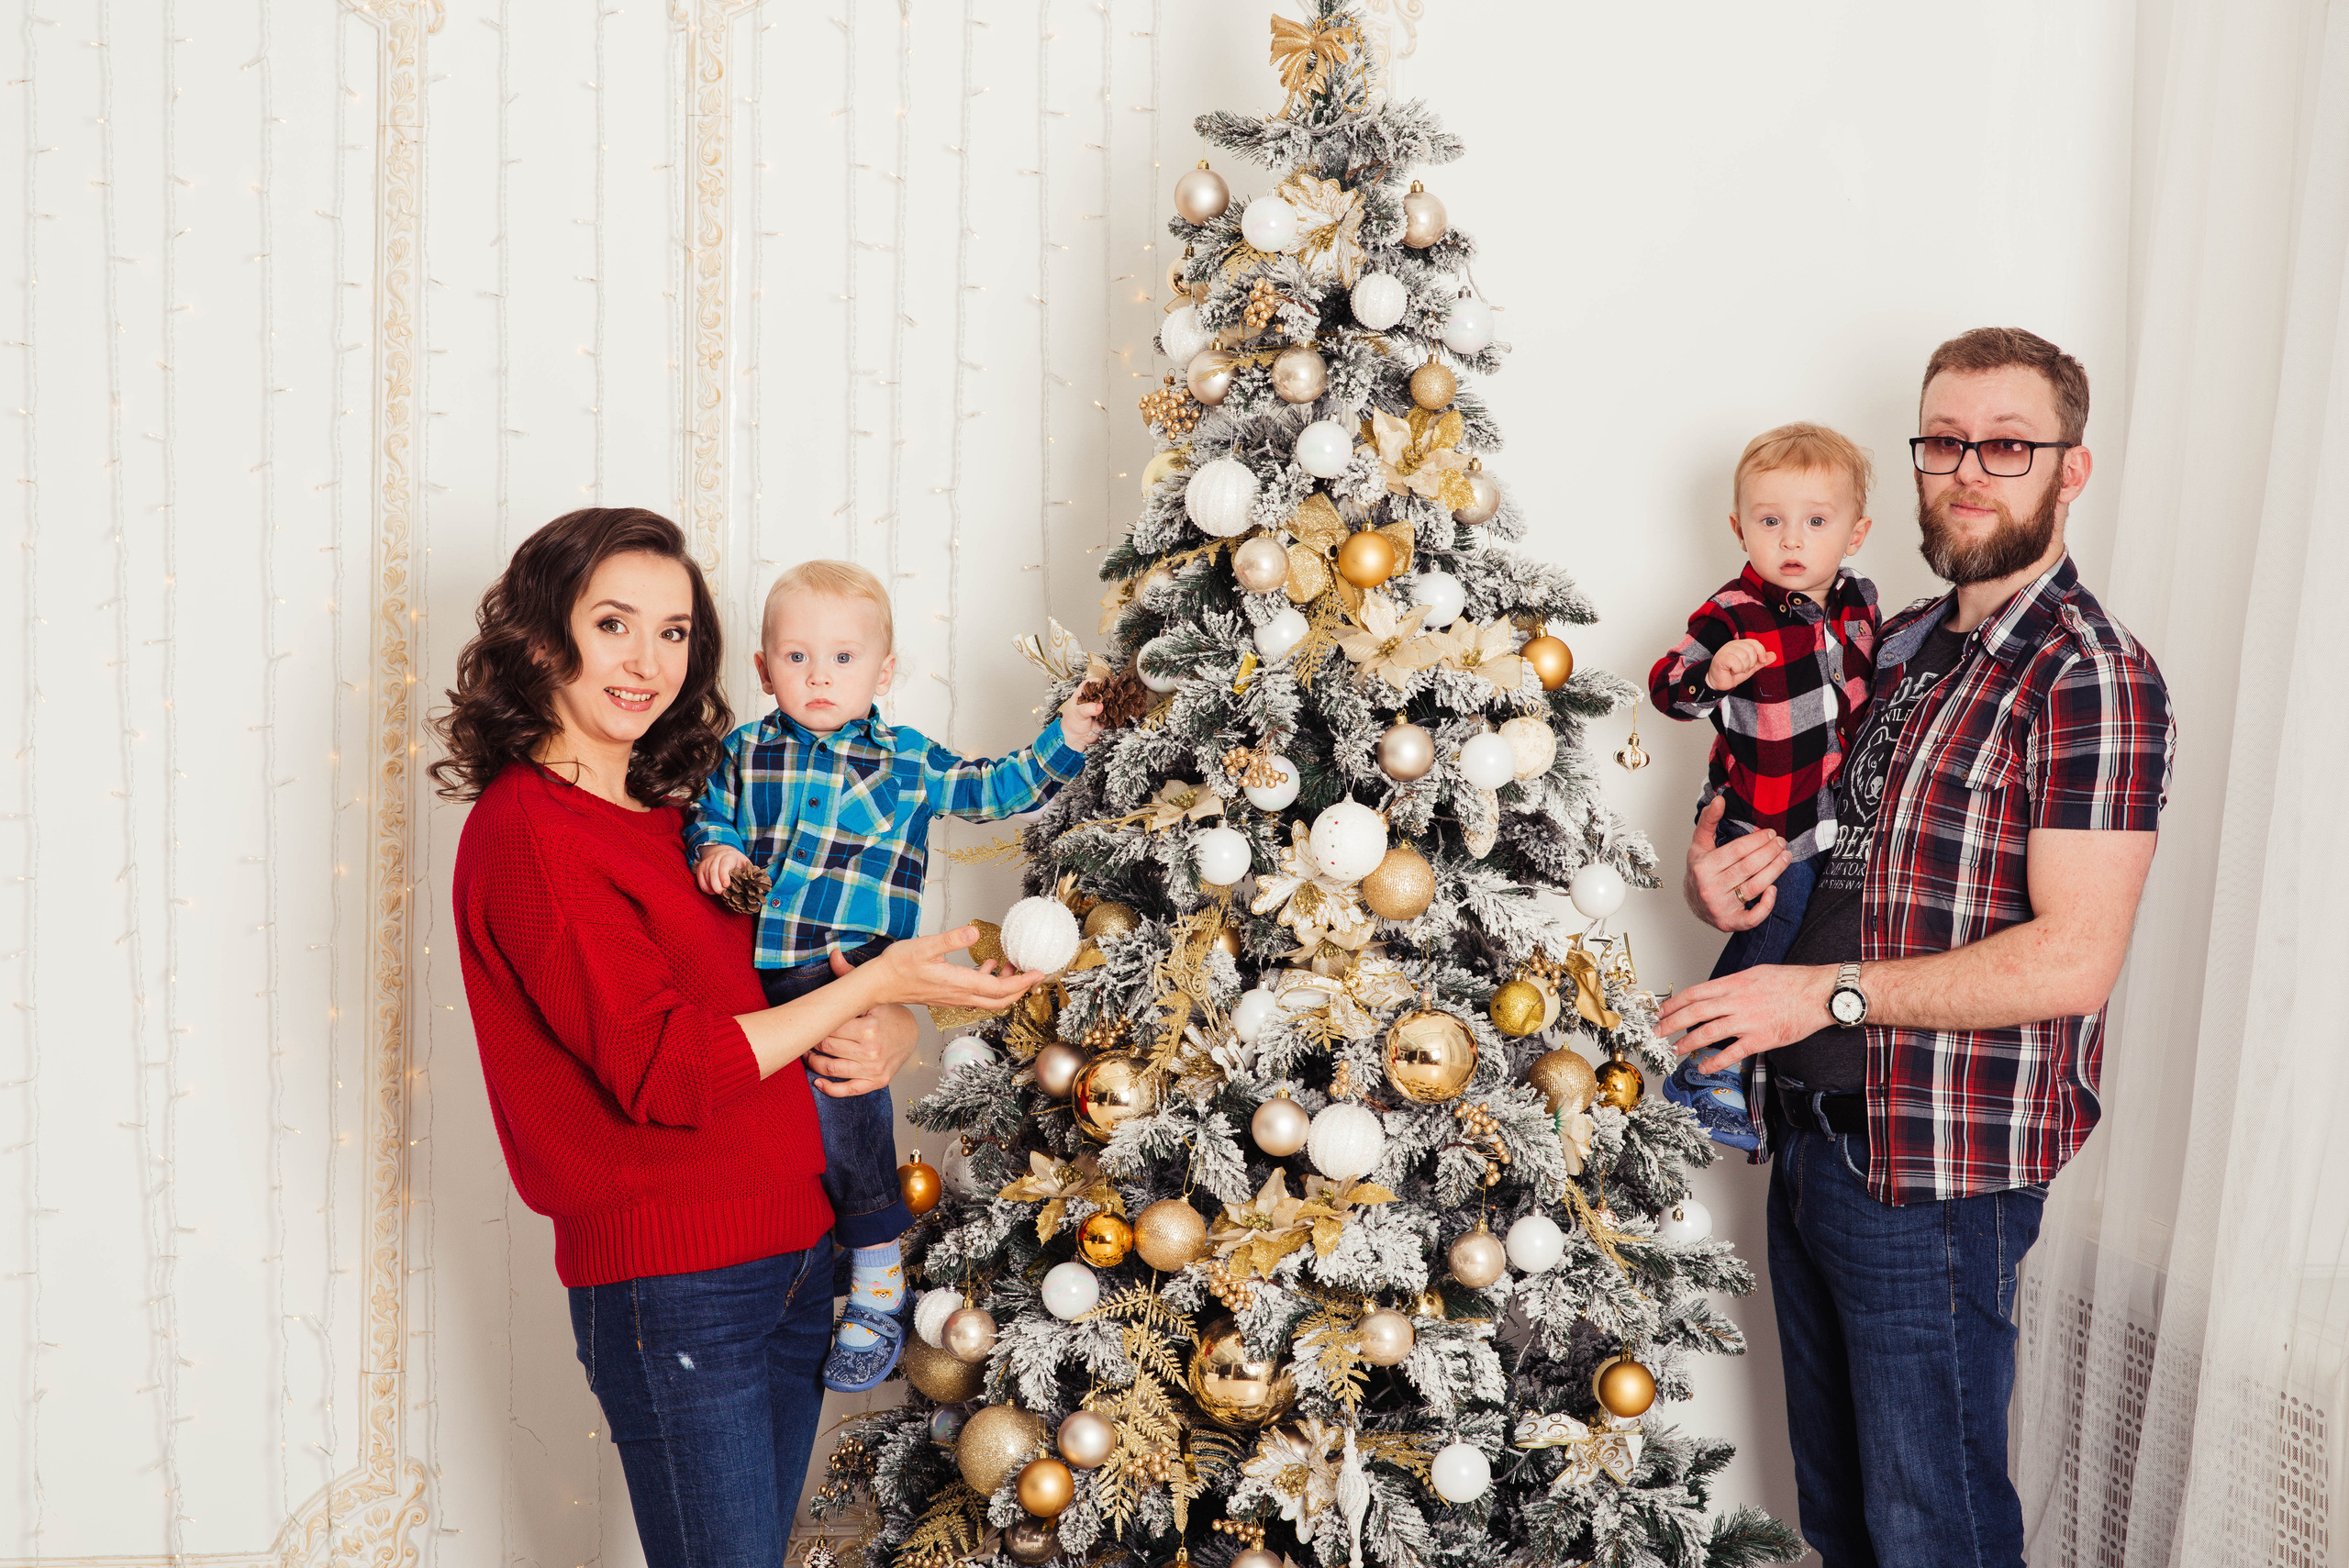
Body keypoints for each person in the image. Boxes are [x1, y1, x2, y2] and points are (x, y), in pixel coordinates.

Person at [1656, 328, 2176, 1568]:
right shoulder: (1890, 643)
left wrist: (1816, 997)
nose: (1969, 470)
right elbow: (1780, 799)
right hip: (1814, 1141)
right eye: (1945, 442)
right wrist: (1715, 858)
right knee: (1841, 1525)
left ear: (2072, 469)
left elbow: (2075, 958)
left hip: (1936, 1176)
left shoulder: (2090, 675)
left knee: (1928, 1528)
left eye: (2007, 445)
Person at [436, 508, 1043, 1568]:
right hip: (682, 1285)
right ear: (540, 642)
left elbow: (786, 981)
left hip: (801, 1256)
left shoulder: (684, 821)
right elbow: (671, 1066)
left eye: (673, 632)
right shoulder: (532, 832)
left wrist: (890, 1014)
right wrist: (893, 982)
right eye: (614, 623)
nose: (647, 661)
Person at [685, 560, 1102, 1392]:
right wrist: (718, 849)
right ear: (764, 670)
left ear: (884, 670)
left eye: (842, 658)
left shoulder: (905, 760)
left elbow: (993, 789)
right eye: (796, 657)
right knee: (770, 1129)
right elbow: (707, 814)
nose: (818, 676)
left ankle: (877, 1265)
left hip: (850, 970)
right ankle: (811, 1262)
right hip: (750, 969)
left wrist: (1069, 738)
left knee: (847, 1103)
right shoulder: (742, 751)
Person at [1648, 423, 1882, 1149]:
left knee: (1802, 936)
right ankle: (1705, 1062)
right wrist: (1711, 678)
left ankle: (1736, 1065)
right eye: (1770, 521)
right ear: (1738, 527)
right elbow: (1666, 685)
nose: (1791, 540)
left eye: (1816, 522)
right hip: (1758, 813)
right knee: (1771, 922)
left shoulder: (1859, 605)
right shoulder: (1732, 613)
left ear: (1855, 533)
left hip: (1824, 813)